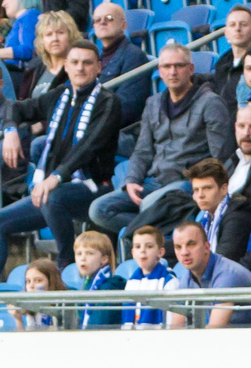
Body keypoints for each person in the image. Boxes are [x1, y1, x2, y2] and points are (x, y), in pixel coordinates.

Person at [0, 40, 121, 286]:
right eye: (74, 62)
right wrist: (10, 130)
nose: (80, 68)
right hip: (50, 191)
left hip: (92, 187)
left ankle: (64, 264)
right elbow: (16, 108)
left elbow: (88, 146)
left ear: (98, 67)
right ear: (66, 66)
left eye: (87, 63)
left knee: (52, 197)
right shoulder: (59, 96)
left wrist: (55, 178)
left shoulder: (108, 102)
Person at [88, 42, 235, 235]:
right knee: (99, 210)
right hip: (154, 181)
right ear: (160, 71)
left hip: (187, 183)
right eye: (167, 66)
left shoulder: (210, 103)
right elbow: (142, 150)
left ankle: (144, 236)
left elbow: (221, 156)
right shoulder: (153, 103)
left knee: (149, 205)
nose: (172, 72)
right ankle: (152, 235)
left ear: (190, 69)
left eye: (179, 66)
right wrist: (132, 180)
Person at [167, 218, 251, 327]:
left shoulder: (228, 274)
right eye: (178, 247)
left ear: (206, 247)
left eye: (191, 244)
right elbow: (175, 328)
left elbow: (214, 331)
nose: (184, 252)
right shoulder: (188, 276)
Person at [185, 157, 251, 265]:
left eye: (207, 188)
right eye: (196, 190)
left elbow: (224, 262)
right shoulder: (205, 216)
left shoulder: (237, 216)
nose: (200, 195)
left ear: (224, 189)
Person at [120, 224, 175, 329]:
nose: (142, 251)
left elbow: (172, 322)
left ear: (160, 252)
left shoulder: (168, 282)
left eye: (149, 246)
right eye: (137, 247)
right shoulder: (131, 282)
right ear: (133, 253)